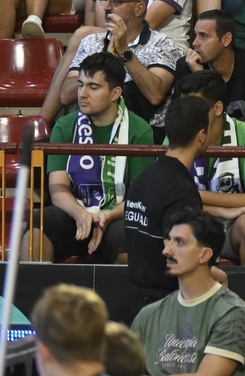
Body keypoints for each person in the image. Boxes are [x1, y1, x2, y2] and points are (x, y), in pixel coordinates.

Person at [32, 52, 156, 263]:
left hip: (116, 215)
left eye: (93, 87)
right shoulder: (65, 126)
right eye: (80, 85)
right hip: (75, 212)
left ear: (115, 93)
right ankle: (31, 295)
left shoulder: (139, 130)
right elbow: (57, 189)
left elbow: (138, 197)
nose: (82, 94)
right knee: (38, 225)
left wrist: (107, 216)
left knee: (129, 238)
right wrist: (80, 213)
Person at [46, 0, 181, 132]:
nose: (106, 7)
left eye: (115, 1)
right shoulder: (91, 42)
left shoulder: (162, 44)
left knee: (131, 90)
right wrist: (107, 59)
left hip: (141, 133)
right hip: (88, 131)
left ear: (139, 9)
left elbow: (155, 94)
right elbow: (66, 94)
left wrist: (124, 51)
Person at [123, 92, 210, 313]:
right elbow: (181, 258)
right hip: (169, 310)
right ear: (202, 136)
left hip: (136, 302)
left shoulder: (143, 180)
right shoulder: (182, 190)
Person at [181, 70, 245, 268]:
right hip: (186, 222)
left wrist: (193, 195)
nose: (187, 114)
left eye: (195, 106)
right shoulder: (178, 131)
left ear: (217, 108)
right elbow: (166, 196)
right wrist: (222, 209)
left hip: (230, 226)